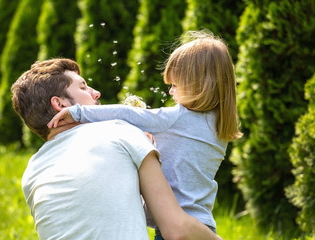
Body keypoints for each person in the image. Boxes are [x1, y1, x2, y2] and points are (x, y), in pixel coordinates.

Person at [47, 30, 243, 238]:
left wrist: (78, 112)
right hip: (202, 226)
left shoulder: (178, 117)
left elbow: (126, 113)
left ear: (198, 84)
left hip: (175, 227)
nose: (170, 92)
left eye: (175, 85)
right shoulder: (219, 125)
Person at [11, 58, 222, 240]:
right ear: (61, 105)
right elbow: (177, 230)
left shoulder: (32, 171)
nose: (96, 92)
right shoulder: (120, 131)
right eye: (83, 87)